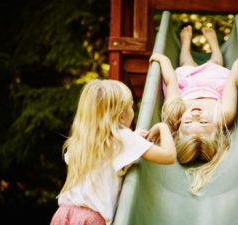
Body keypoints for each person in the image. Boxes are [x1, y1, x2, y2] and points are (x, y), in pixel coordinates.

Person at [50, 79, 176, 225]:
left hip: (63, 214)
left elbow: (105, 158)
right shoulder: (124, 140)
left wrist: (134, 137)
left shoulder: (81, 142)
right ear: (122, 116)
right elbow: (169, 156)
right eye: (131, 107)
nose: (132, 111)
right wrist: (162, 126)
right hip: (91, 219)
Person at [149, 25, 238, 195]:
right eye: (204, 122)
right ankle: (215, 46)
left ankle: (185, 44)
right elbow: (231, 84)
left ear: (177, 128)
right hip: (215, 84)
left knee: (186, 64)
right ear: (216, 129)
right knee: (216, 64)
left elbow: (171, 82)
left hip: (188, 83)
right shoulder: (223, 115)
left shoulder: (175, 112)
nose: (196, 114)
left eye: (188, 121)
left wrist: (163, 60)